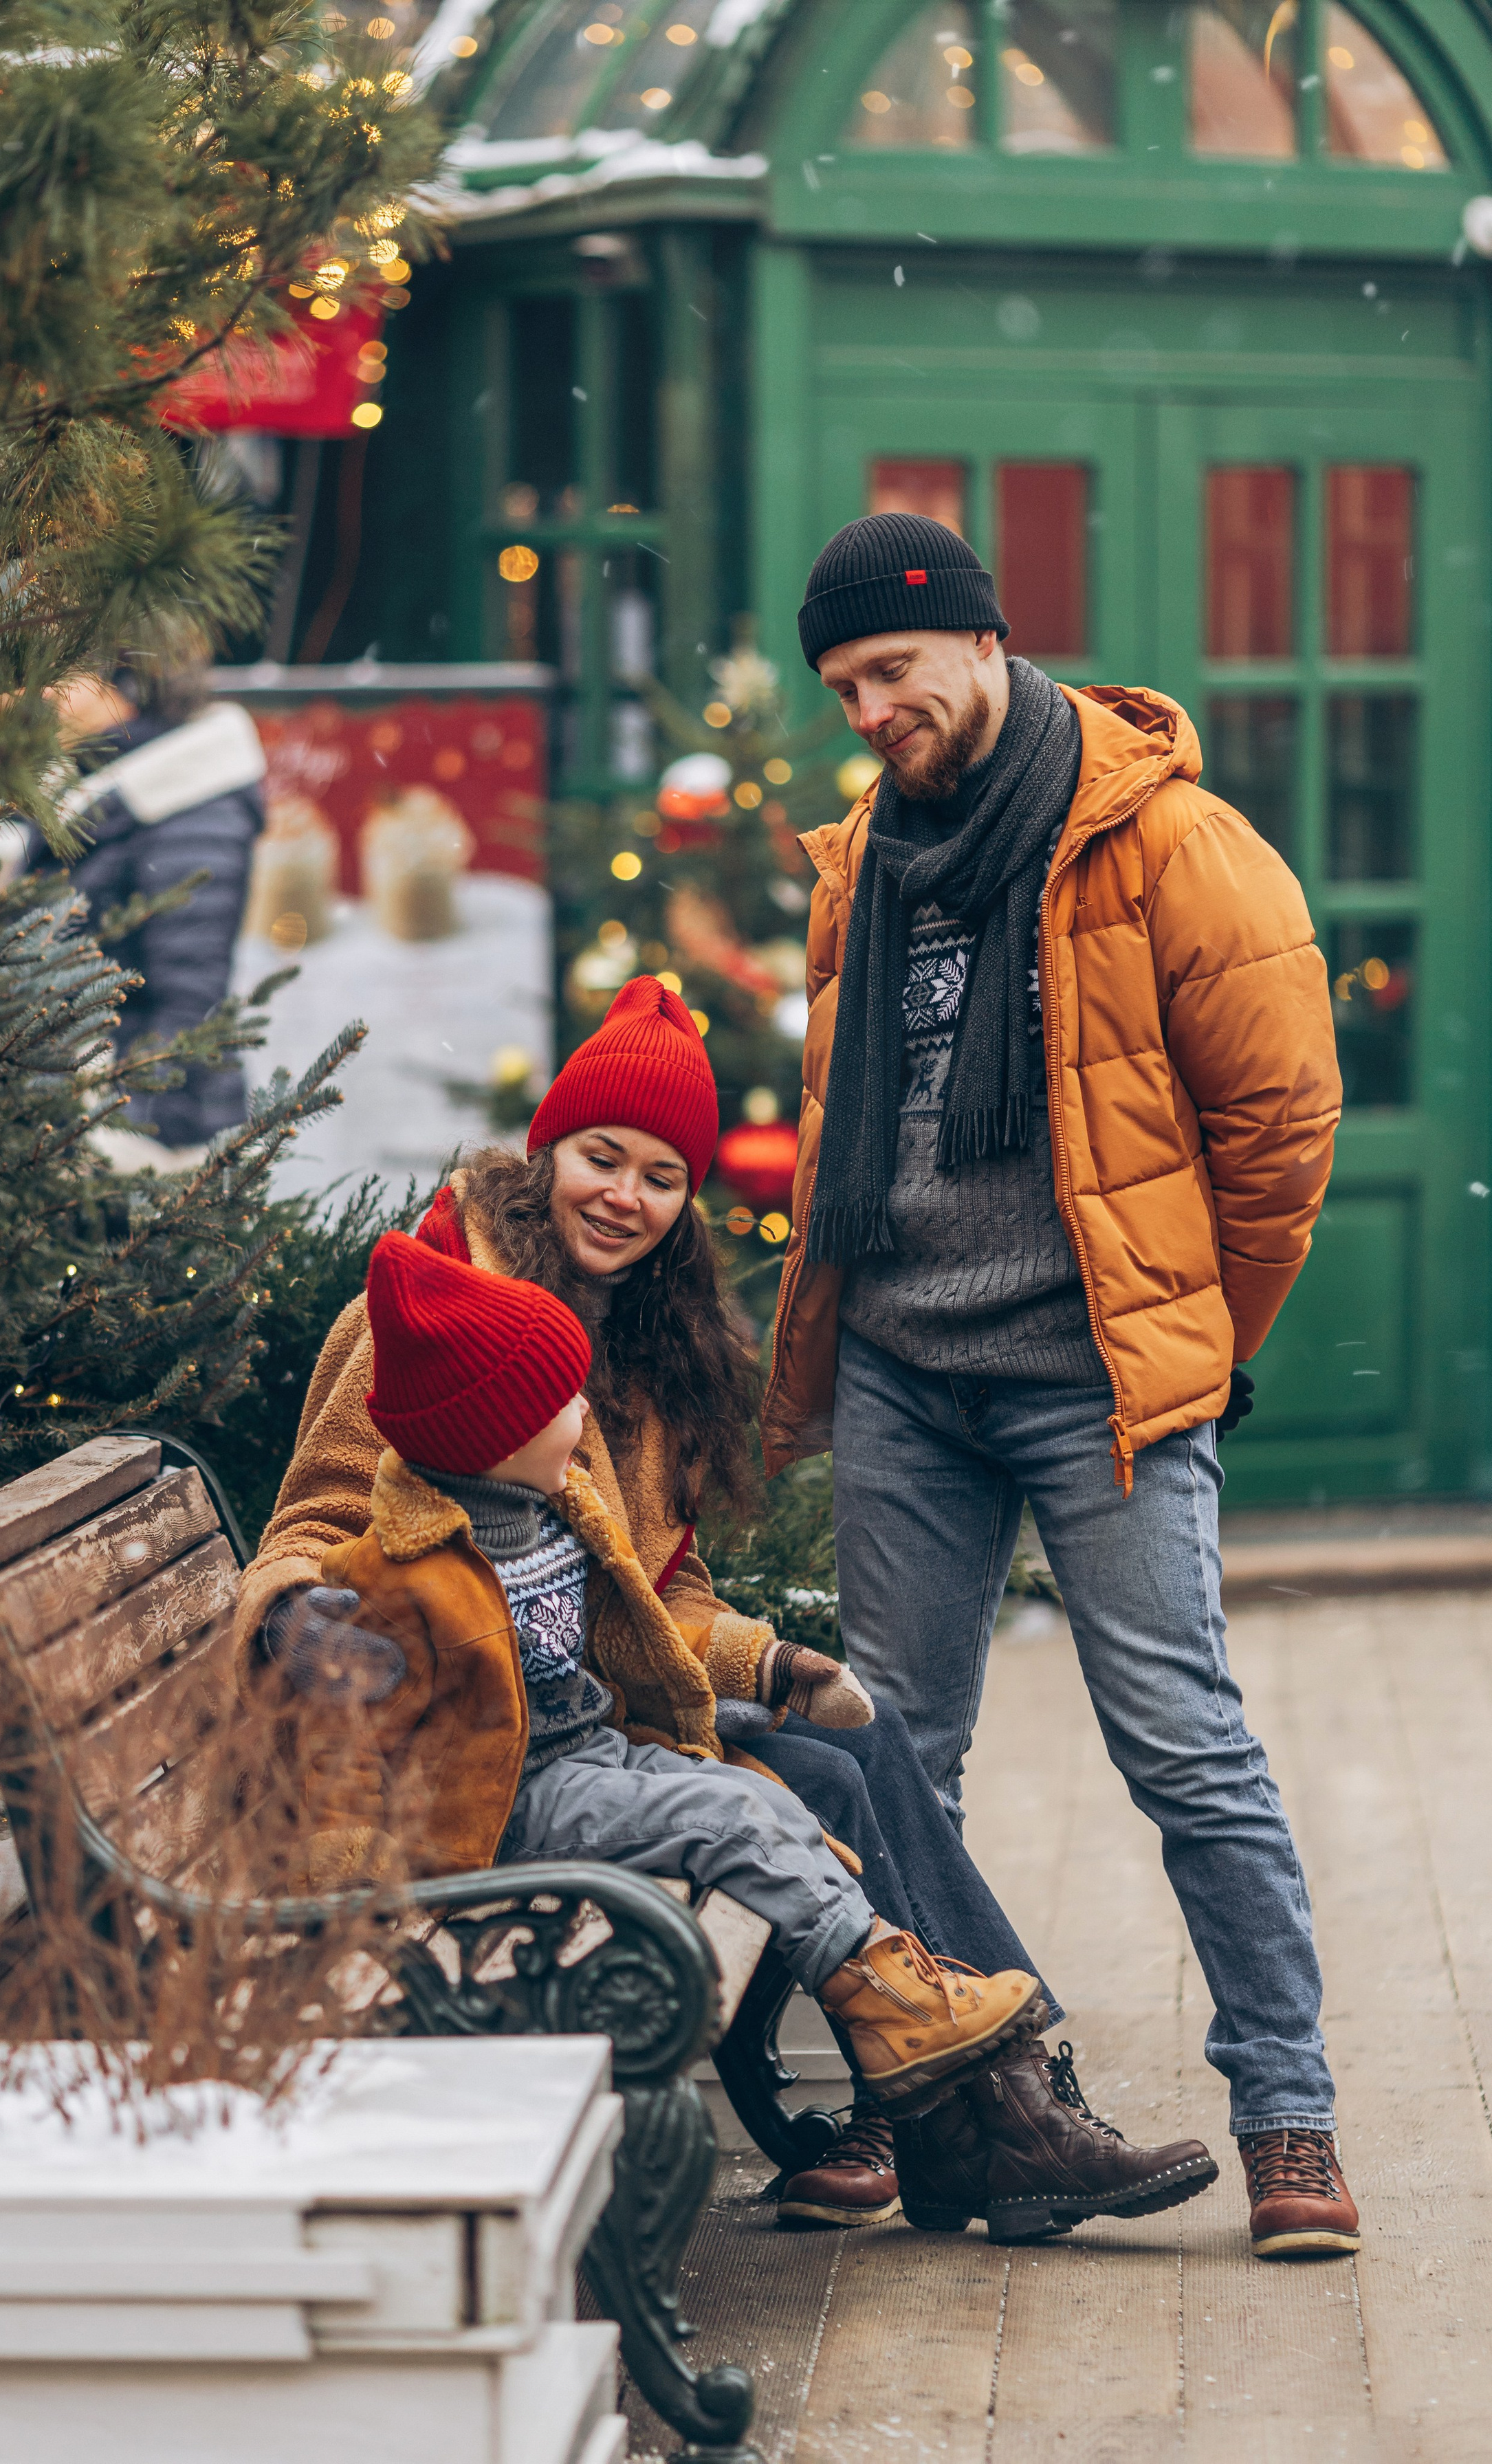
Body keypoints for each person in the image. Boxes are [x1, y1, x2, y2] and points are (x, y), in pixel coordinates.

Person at [239, 978, 1217, 2243]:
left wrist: (767, 1658)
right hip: (504, 1741)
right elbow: (307, 1532)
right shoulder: (431, 1320)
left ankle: (982, 2114)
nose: (623, 1196)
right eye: (601, 1157)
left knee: (858, 1745)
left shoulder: (651, 1339)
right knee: (833, 1777)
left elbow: (662, 1591)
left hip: (602, 1706)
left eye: (658, 1174)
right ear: (548, 1153)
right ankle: (994, 2116)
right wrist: (294, 1620)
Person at [762, 509, 1356, 2262]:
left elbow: (1277, 1124)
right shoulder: (859, 859)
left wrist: (1196, 1339)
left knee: (1183, 1750)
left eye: (887, 673)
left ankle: (1287, 2115)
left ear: (975, 641)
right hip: (902, 1374)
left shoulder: (1160, 840)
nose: (865, 713)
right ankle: (925, 2105)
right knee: (891, 1762)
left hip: (1096, 1379)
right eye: (840, 689)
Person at [295, 1228, 1049, 2133]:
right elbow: (342, 1751)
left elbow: (636, 1635)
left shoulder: (558, 1513)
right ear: (496, 1435)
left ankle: (895, 1995)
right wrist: (349, 1889)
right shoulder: (398, 1579)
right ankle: (902, 2012)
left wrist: (750, 1676)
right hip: (504, 1808)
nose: (582, 1408)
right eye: (558, 1400)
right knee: (727, 1817)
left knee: (766, 1802)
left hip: (597, 1752)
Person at [52, 655, 267, 1167]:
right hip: (90, 1107)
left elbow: (188, 1000)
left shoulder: (190, 806)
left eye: (67, 677)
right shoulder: (108, 789)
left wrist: (125, 1118)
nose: (47, 694)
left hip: (154, 1136)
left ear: (126, 686)